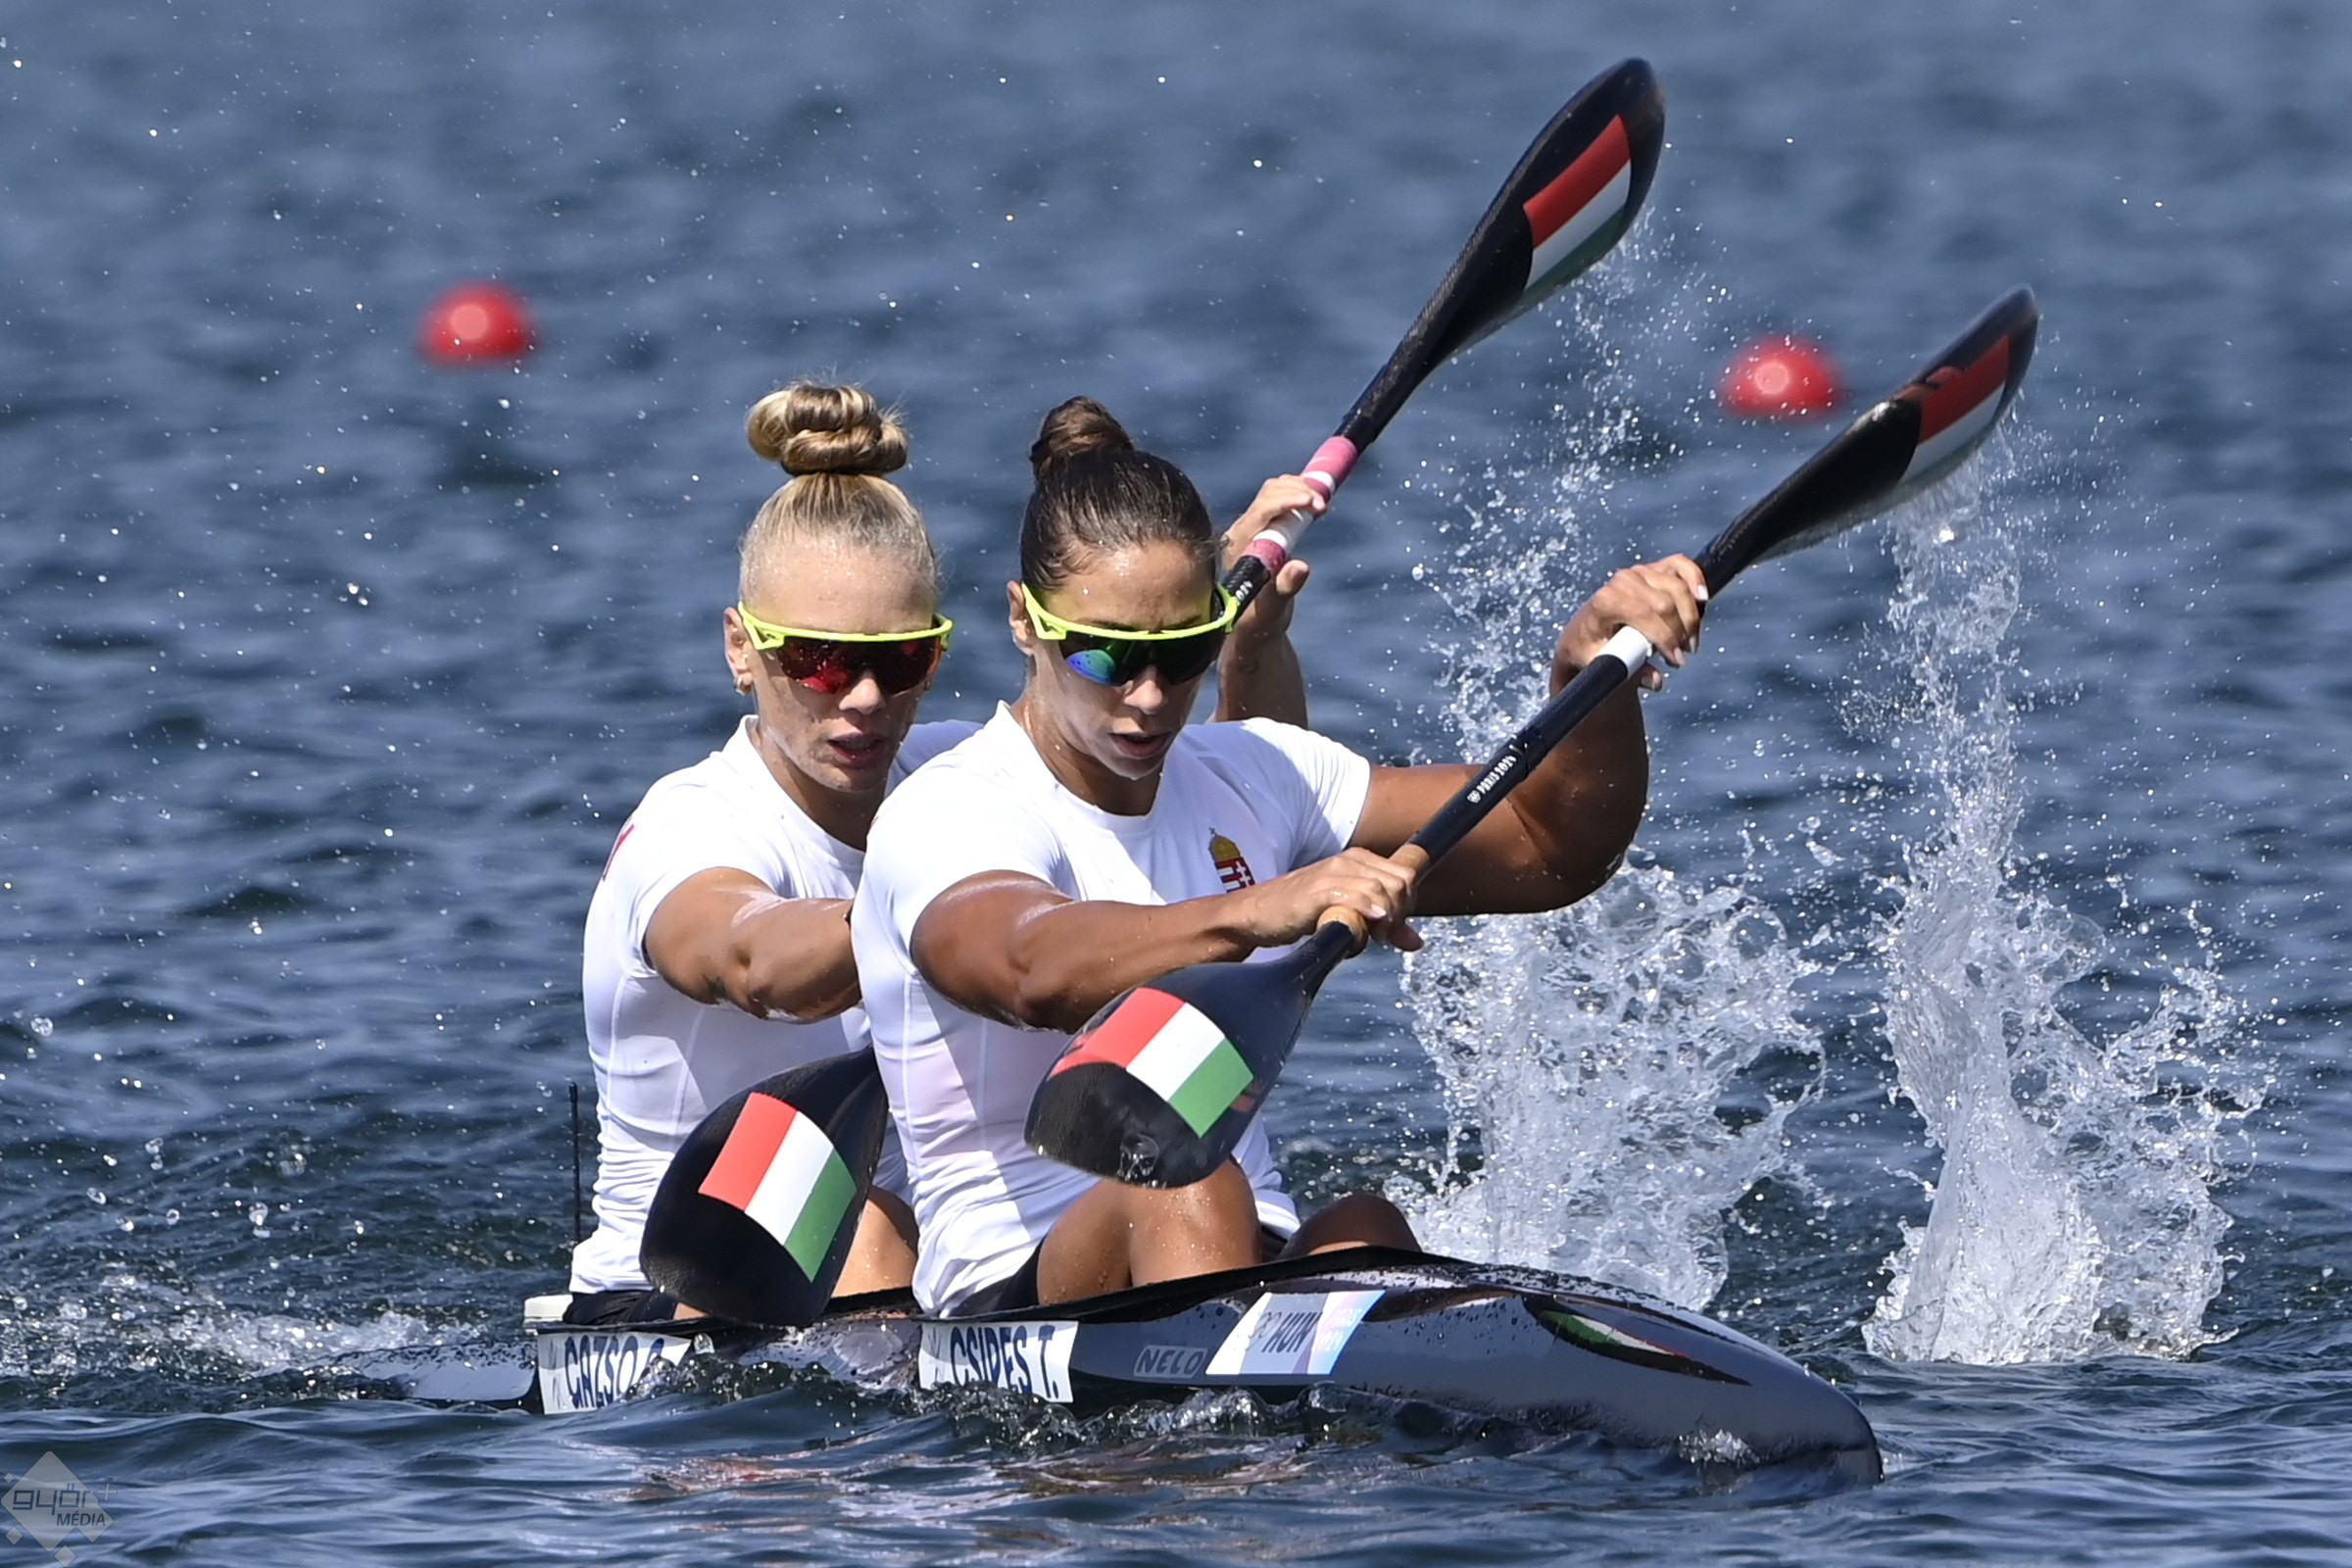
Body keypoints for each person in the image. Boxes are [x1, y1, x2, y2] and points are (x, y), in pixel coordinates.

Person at [852, 397, 1709, 1316]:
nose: (1150, 698)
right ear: (1025, 622)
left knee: (1365, 1229)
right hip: (1014, 1295)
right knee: (1179, 1178)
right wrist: (1258, 909)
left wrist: (1590, 678)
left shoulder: (1254, 772)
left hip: (1231, 1244)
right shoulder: (950, 809)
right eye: (1106, 658)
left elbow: (1551, 844)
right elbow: (1028, 968)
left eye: (1185, 653)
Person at [566, 383, 1324, 1324]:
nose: (864, 699)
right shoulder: (691, 828)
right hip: (692, 1279)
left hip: (911, 1279)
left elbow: (1218, 806)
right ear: (740, 648)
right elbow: (753, 961)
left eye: (902, 662)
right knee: (870, 1227)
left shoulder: (956, 781)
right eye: (819, 662)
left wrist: (1217, 636)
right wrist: (916, 913)